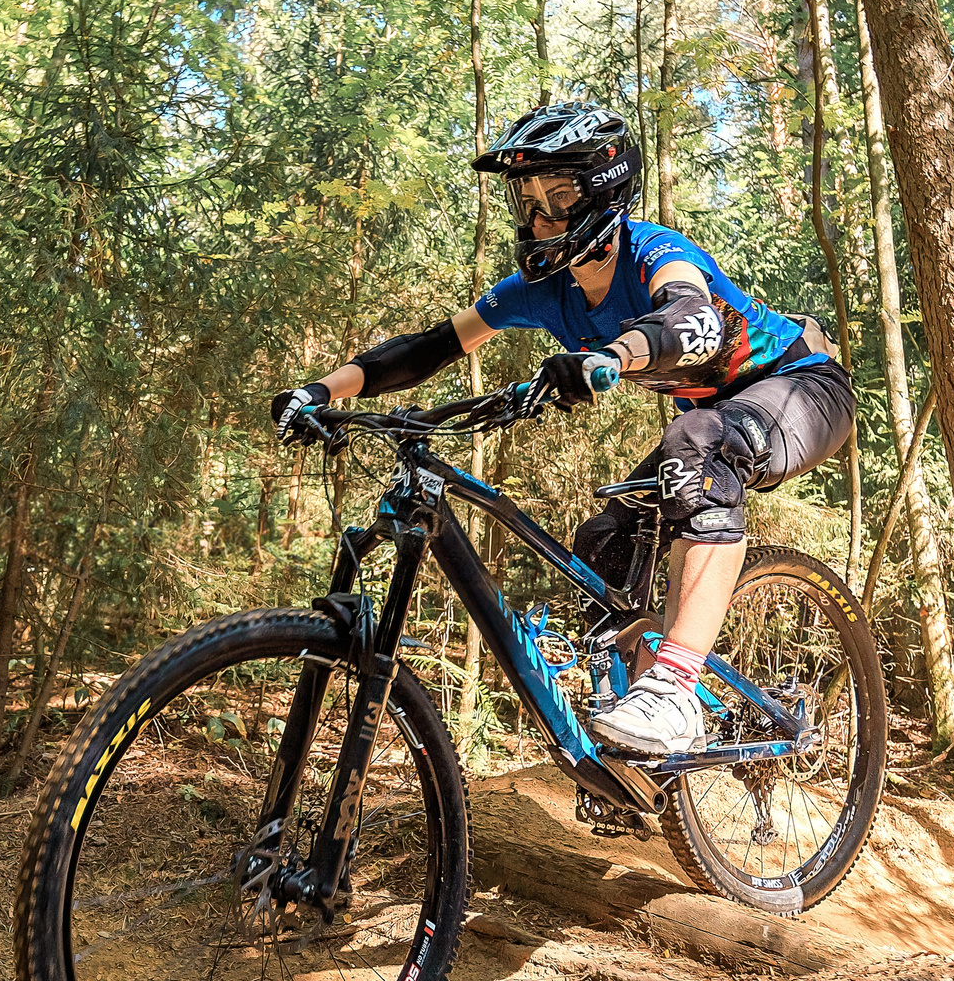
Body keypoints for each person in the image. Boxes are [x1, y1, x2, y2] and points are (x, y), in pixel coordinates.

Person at [269, 102, 854, 756]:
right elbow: (430, 348)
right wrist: (322, 390)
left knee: (698, 445)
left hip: (804, 389)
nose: (540, 219)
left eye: (559, 197)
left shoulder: (654, 251)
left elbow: (691, 319)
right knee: (603, 542)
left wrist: (611, 357)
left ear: (603, 193)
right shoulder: (540, 291)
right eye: (528, 201)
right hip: (710, 416)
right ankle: (639, 736)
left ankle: (676, 689)